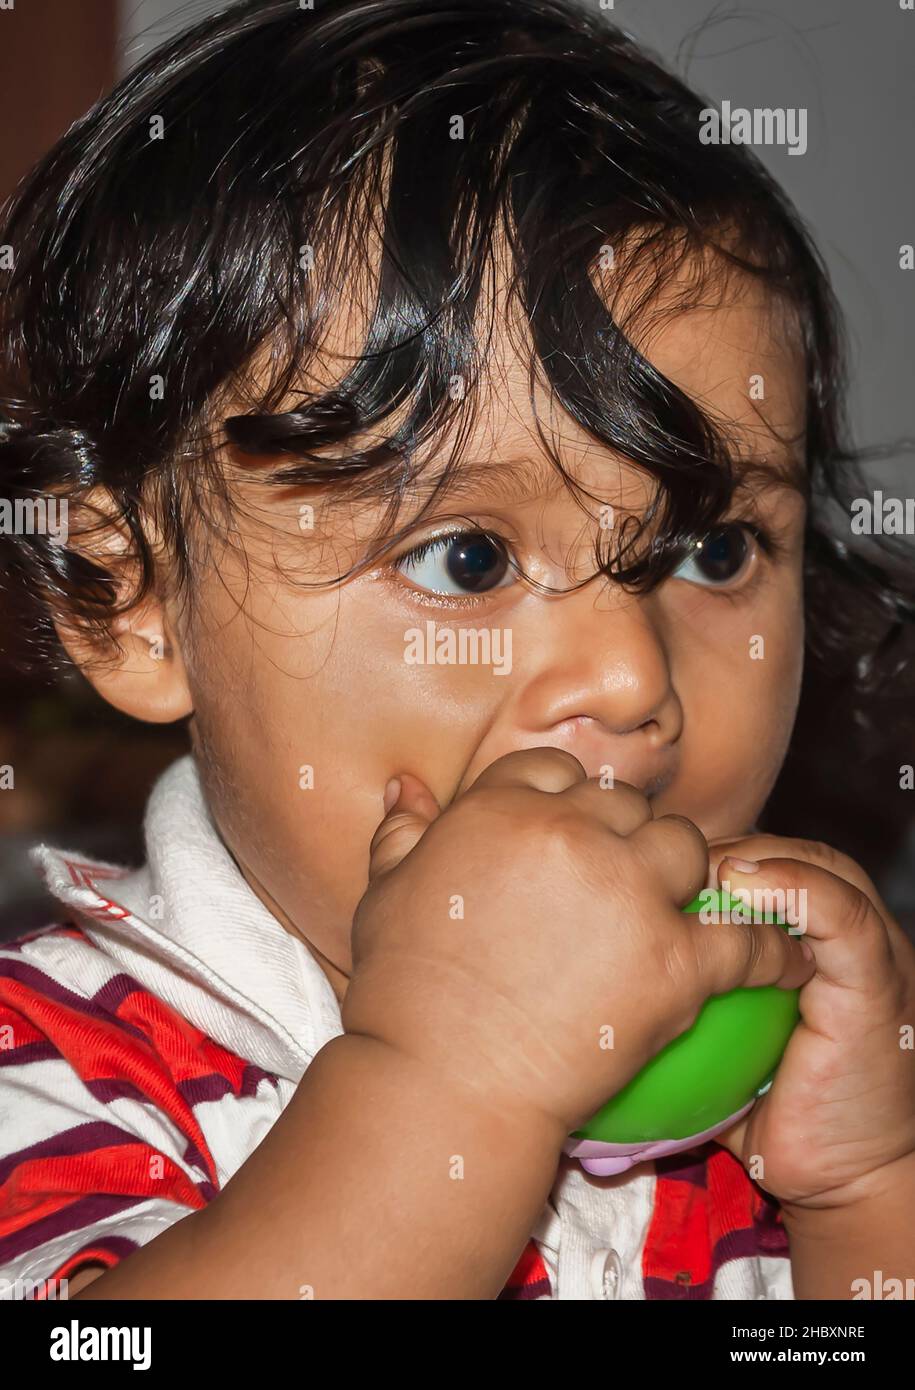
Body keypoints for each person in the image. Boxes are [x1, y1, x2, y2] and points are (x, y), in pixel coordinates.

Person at [1, 0, 913, 1301]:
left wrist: (868, 1185)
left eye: (712, 552)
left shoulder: (777, 1113)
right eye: (468, 557)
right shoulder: (63, 1061)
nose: (631, 679)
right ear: (132, 599)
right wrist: (459, 1076)